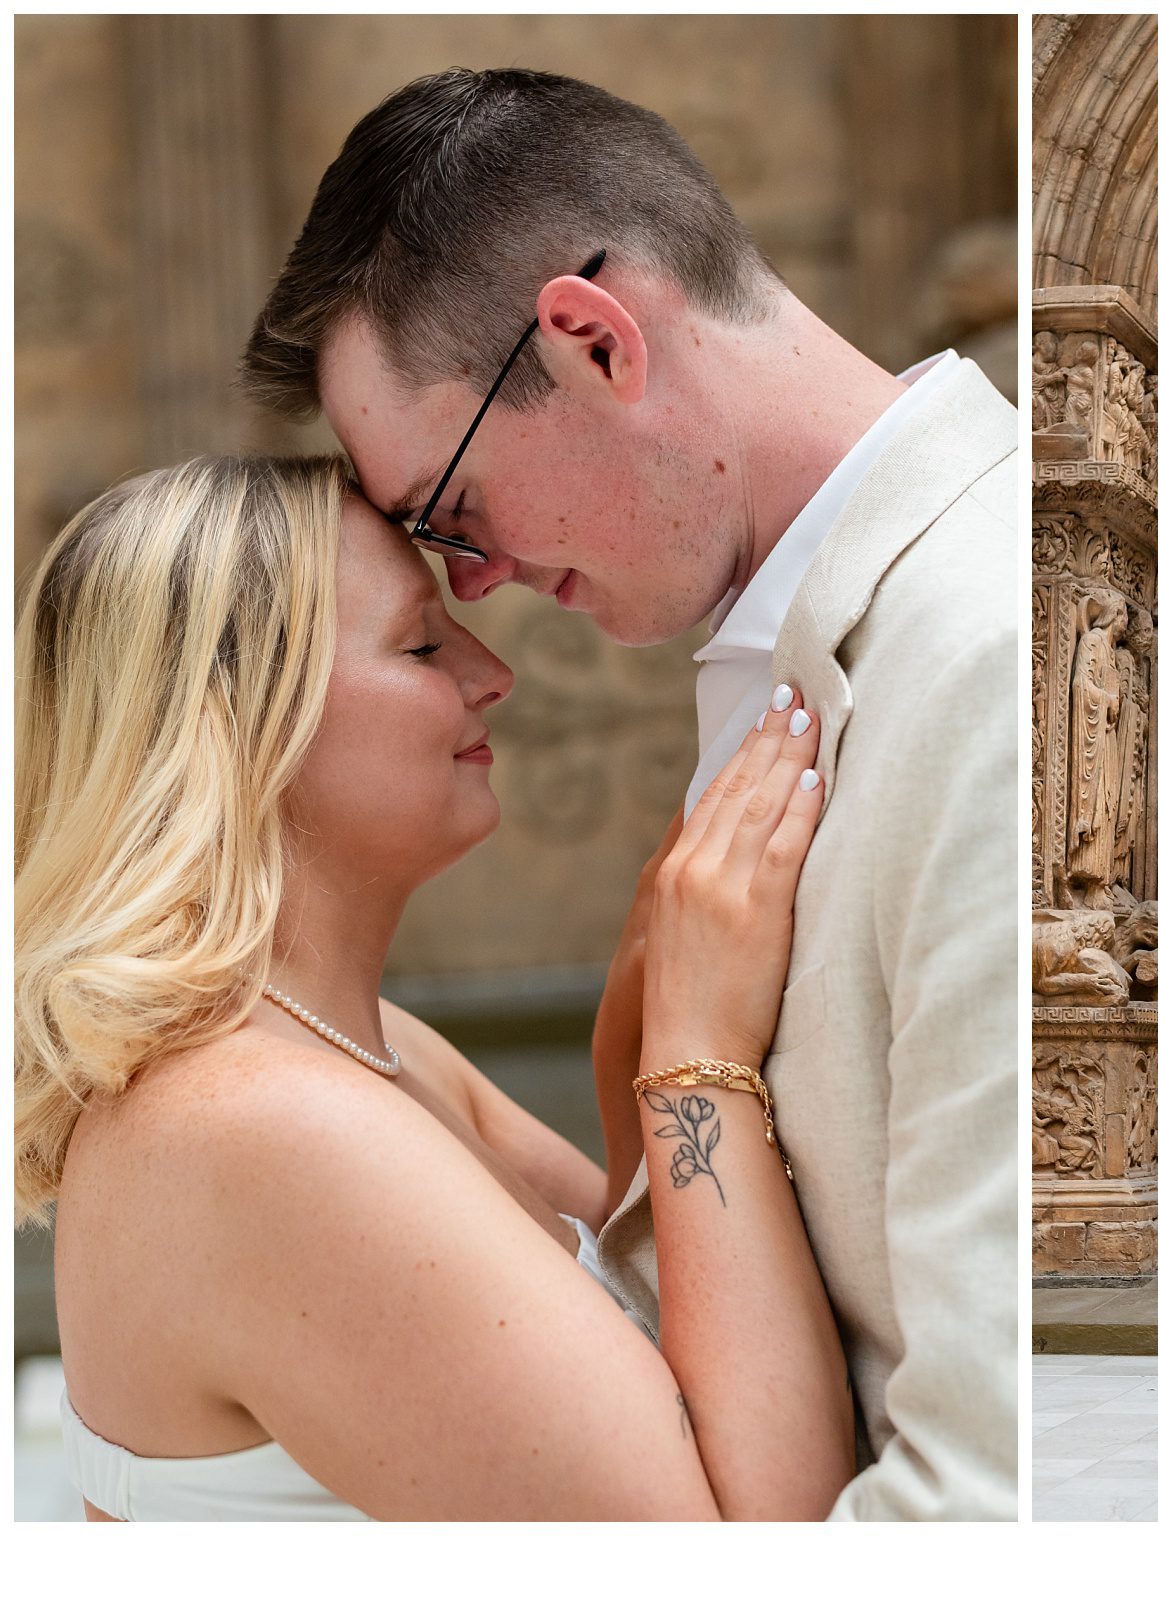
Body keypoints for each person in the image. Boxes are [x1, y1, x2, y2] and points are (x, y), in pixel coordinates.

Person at [240, 67, 1017, 1520]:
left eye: (451, 514)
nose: (474, 590)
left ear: (594, 343)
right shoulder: (797, 634)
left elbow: (977, 1500)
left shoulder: (986, 656)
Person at [16, 458, 849, 1519]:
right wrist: (695, 1051)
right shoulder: (261, 1123)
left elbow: (660, 1306)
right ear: (236, 724)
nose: (490, 670)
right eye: (418, 642)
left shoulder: (370, 1048)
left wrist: (634, 1042)